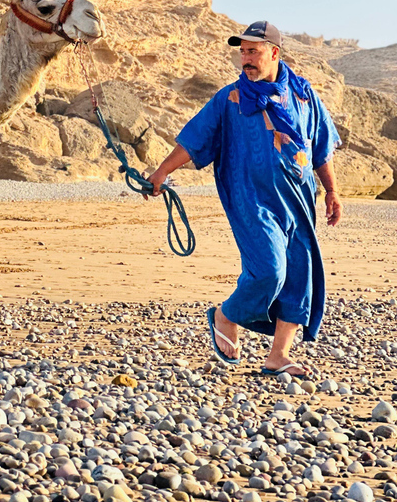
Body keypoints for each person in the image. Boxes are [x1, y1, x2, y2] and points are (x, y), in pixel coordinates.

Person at [146, 21, 342, 378]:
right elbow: (194, 140)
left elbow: (321, 148)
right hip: (251, 200)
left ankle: (278, 355)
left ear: (274, 53)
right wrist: (161, 172)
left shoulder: (303, 94)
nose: (245, 59)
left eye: (253, 51)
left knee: (299, 274)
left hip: (298, 200)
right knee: (269, 270)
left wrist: (331, 191)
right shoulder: (229, 99)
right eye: (242, 51)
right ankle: (226, 315)